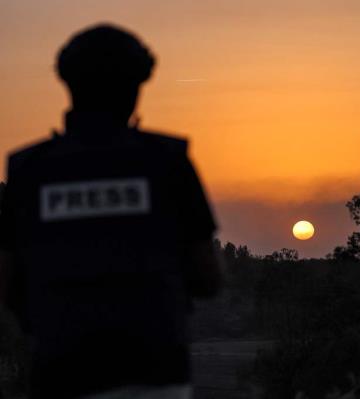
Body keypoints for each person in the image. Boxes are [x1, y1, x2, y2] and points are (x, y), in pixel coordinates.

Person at [0, 24, 222, 399]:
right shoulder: (168, 161)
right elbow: (208, 278)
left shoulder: (27, 171)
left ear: (68, 85)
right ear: (137, 87)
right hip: (157, 375)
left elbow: (6, 284)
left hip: (61, 374)